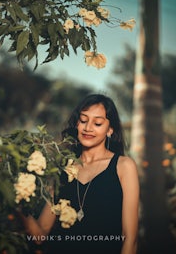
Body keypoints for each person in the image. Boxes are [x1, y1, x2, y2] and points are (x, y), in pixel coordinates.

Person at [23, 94, 139, 254]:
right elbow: (40, 235)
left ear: (110, 129)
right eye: (83, 120)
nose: (88, 128)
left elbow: (130, 239)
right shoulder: (62, 169)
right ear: (77, 124)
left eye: (97, 123)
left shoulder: (124, 166)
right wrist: (15, 203)